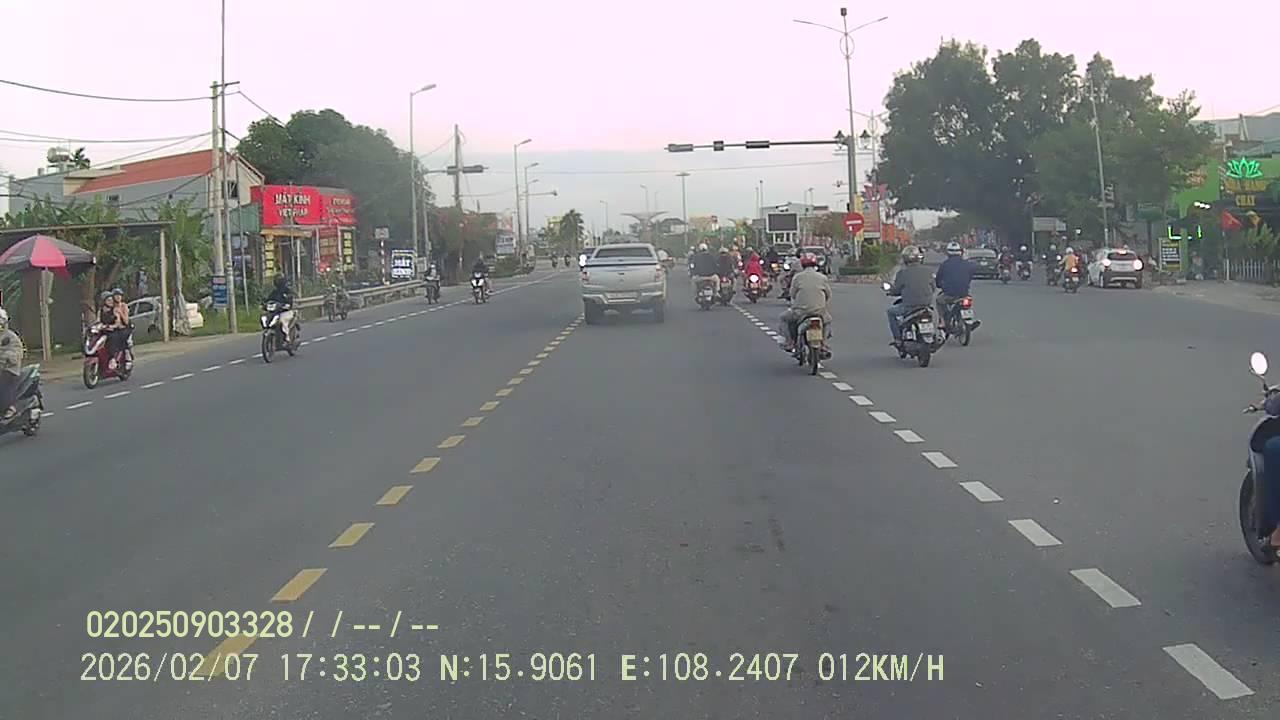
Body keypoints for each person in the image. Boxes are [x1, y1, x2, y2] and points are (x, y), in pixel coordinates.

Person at [778, 254, 832, 351]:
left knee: (783, 318)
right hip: (819, 312)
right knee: (827, 321)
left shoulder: (797, 277)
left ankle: (790, 342)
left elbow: (792, 294)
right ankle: (823, 343)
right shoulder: (822, 277)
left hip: (800, 312)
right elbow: (828, 294)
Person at [886, 246, 935, 346]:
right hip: (926, 305)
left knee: (890, 312)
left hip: (909, 306)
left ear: (905, 259)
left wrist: (891, 292)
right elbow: (933, 287)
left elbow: (896, 290)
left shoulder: (902, 273)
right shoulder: (928, 271)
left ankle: (898, 339)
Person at [935, 241, 975, 319]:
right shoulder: (967, 264)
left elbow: (938, 279)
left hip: (949, 294)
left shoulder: (945, 264)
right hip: (964, 294)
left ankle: (942, 320)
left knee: (939, 301)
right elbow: (970, 276)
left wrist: (940, 285)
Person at [0, 307, 24, 421]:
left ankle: (9, 407)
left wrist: (7, 356)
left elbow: (17, 352)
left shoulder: (10, 337)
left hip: (9, 369)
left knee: (3, 381)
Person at [265, 274, 298, 342]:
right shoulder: (275, 292)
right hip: (277, 311)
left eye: (279, 280)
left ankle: (287, 337)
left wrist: (288, 303)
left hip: (286, 311)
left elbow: (292, 297)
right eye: (277, 280)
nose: (278, 282)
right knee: (268, 317)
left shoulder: (287, 291)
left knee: (283, 320)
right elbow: (269, 299)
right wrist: (264, 303)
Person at [111, 288, 133, 369]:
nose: (118, 297)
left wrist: (120, 312)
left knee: (123, 338)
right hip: (114, 328)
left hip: (124, 328)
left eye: (119, 295)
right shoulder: (111, 307)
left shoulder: (124, 306)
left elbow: (126, 321)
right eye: (116, 295)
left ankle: (127, 357)